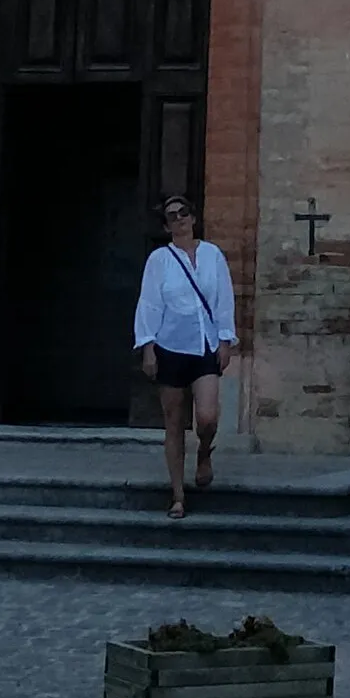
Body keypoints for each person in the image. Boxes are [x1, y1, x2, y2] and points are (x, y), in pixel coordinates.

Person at [134, 196, 236, 517]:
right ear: (166, 226)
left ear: (193, 218)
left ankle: (204, 452)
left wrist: (225, 340)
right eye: (172, 216)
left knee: (207, 417)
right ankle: (178, 495)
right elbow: (149, 302)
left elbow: (223, 299)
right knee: (174, 423)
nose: (179, 219)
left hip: (205, 345)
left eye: (184, 213)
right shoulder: (159, 260)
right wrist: (148, 347)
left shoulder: (212, 255)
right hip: (170, 347)